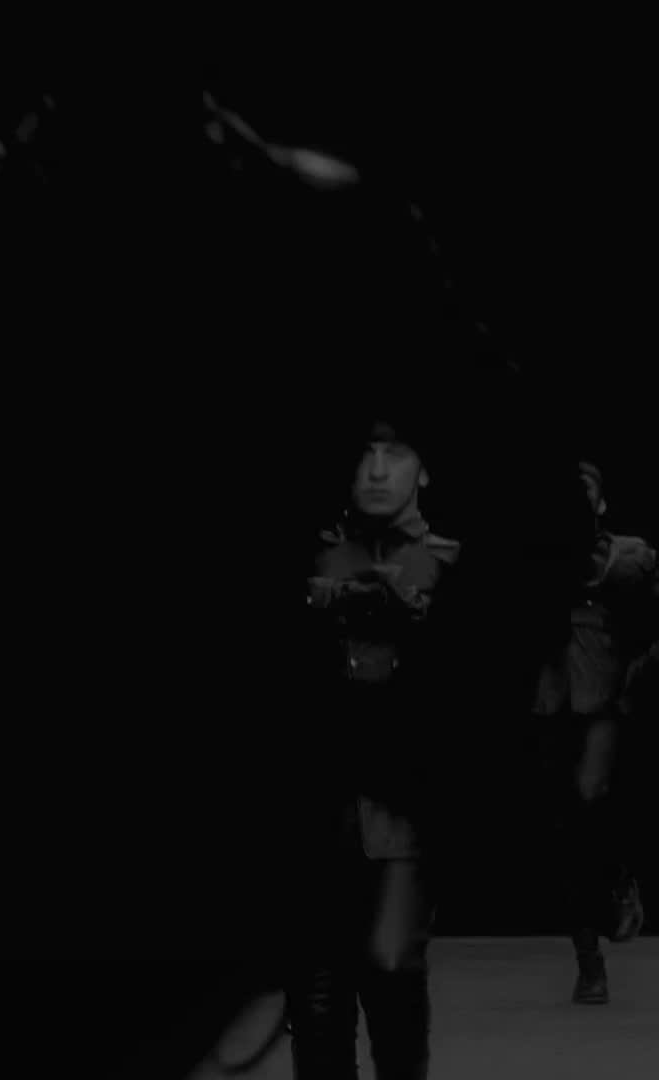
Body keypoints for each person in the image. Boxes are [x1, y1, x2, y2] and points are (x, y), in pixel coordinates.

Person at [288, 415, 460, 1080]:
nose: (379, 470)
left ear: (425, 468)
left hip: (403, 814)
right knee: (317, 1001)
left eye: (396, 453)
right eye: (365, 453)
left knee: (393, 983)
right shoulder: (310, 561)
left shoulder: (453, 566)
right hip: (312, 809)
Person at [530, 460, 659, 1004]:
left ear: (601, 505)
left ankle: (618, 877)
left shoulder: (630, 558)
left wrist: (640, 671)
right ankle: (589, 963)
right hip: (550, 705)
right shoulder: (539, 558)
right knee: (562, 832)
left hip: (603, 703)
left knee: (588, 808)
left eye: (585, 495)